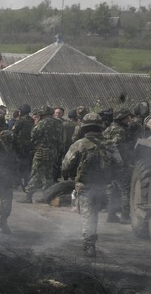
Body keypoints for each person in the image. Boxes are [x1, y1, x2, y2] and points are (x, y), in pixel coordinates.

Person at [61, 113, 123, 257]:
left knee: (88, 216)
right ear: (101, 127)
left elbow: (65, 166)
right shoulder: (110, 144)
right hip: (102, 186)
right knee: (93, 214)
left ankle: (89, 246)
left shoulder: (79, 144)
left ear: (84, 127)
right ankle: (90, 241)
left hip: (85, 186)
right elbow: (119, 165)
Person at [22, 105, 64, 203]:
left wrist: (35, 124)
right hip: (53, 151)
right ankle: (47, 197)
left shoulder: (43, 122)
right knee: (48, 174)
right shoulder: (59, 123)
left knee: (35, 173)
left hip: (42, 150)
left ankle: (28, 196)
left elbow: (33, 135)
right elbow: (61, 139)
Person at [102, 107, 135, 223]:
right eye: (127, 118)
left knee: (112, 190)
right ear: (121, 118)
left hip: (108, 165)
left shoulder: (108, 129)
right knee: (125, 189)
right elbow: (116, 146)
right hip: (119, 165)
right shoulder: (119, 130)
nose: (129, 120)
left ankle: (111, 215)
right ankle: (125, 216)